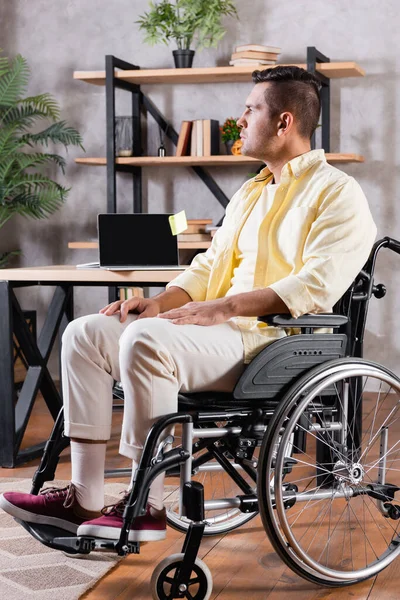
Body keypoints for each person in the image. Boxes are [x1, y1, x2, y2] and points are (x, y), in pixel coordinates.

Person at [0, 66, 377, 543]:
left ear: (284, 122)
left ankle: (147, 505)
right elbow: (206, 266)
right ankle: (85, 495)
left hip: (272, 344)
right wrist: (157, 303)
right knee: (85, 333)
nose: (239, 118)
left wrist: (225, 308)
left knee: (145, 340)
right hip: (217, 337)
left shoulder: (337, 193)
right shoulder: (251, 192)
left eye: (250, 109)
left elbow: (317, 284)